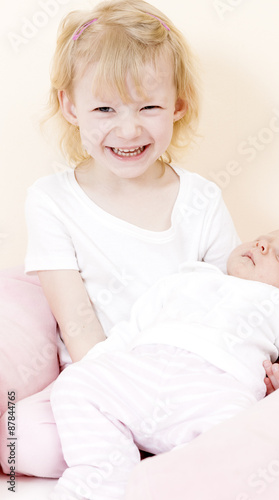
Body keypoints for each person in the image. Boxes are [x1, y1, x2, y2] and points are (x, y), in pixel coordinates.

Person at [0, 0, 240, 478]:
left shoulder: (202, 199)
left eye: (149, 106)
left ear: (178, 104)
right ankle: (147, 452)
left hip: (186, 381)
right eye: (104, 108)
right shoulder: (51, 200)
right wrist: (127, 392)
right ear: (70, 106)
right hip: (99, 384)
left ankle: (153, 453)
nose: (127, 129)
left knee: (247, 420)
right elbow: (79, 324)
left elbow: (229, 302)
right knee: (13, 439)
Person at [49, 229, 279, 500]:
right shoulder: (189, 277)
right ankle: (104, 475)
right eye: (261, 239)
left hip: (215, 390)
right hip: (142, 370)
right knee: (76, 382)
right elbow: (132, 326)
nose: (262, 245)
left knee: (237, 440)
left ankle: (168, 482)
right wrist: (100, 361)